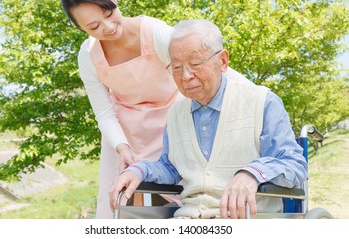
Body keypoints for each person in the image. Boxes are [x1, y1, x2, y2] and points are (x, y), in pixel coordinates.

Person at [60, 0, 250, 219]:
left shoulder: (154, 32)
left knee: (189, 192)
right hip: (124, 132)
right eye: (94, 27)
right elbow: (103, 111)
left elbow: (206, 65)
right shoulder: (88, 55)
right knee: (114, 199)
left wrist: (256, 96)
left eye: (108, 13)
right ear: (80, 29)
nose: (108, 28)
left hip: (172, 122)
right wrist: (121, 147)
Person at [110, 19, 308, 219]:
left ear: (222, 61)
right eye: (177, 68)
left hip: (247, 220)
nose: (185, 76)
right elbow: (170, 168)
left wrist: (252, 173)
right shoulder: (176, 113)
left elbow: (295, 164)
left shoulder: (263, 102)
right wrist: (138, 170)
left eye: (195, 64)